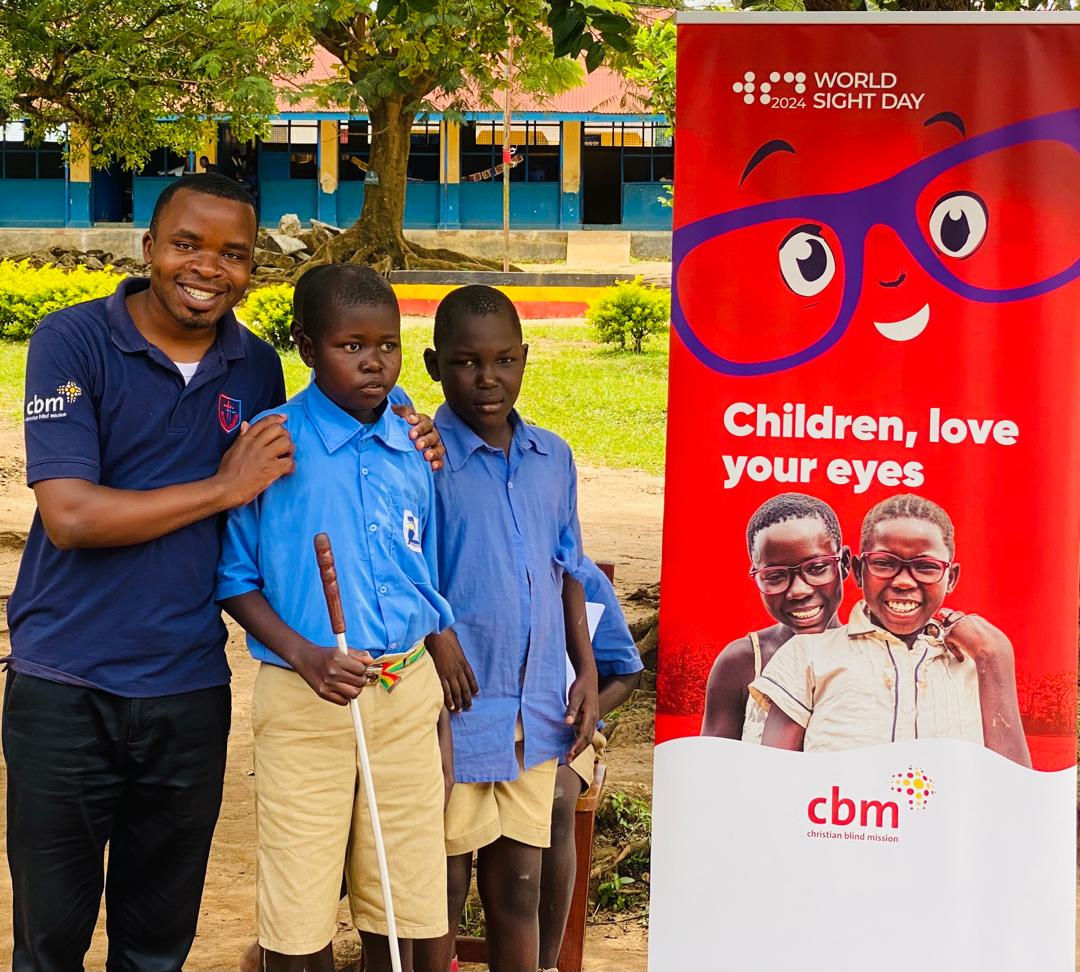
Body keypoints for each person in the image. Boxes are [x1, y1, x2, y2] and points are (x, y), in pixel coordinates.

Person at [1, 173, 443, 971]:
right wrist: (221, 487)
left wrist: (415, 426)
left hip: (187, 688)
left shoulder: (253, 369)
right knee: (50, 941)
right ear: (149, 249)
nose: (206, 267)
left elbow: (343, 403)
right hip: (66, 683)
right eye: (186, 244)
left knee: (157, 943)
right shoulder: (73, 341)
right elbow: (69, 518)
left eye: (232, 253)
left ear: (252, 269)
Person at [218, 265, 455, 972]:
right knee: (299, 903)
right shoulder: (273, 443)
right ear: (306, 347)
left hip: (405, 691)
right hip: (306, 697)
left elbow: (425, 562)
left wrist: (435, 659)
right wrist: (305, 654)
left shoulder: (412, 435)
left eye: (389, 344)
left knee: (405, 897)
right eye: (352, 346)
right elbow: (234, 580)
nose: (374, 361)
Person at [414, 285, 599, 972]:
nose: (487, 379)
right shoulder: (423, 461)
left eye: (503, 361)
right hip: (456, 711)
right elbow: (405, 568)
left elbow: (569, 567)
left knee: (518, 886)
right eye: (465, 362)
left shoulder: (555, 457)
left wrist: (584, 670)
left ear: (525, 360)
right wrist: (440, 636)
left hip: (536, 707)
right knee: (443, 884)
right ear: (434, 365)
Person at [752, 493, 1032, 767]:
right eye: (884, 563)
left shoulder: (975, 663)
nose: (904, 582)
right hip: (842, 813)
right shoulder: (807, 655)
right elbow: (773, 778)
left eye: (925, 566)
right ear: (860, 571)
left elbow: (1015, 790)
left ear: (951, 578)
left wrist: (994, 658)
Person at [538, 556, 642, 972]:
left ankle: (546, 961)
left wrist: (587, 720)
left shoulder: (584, 578)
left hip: (565, 730)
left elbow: (628, 674)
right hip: (489, 726)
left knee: (557, 796)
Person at [700, 492, 849, 742]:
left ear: (844, 564)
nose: (799, 590)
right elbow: (713, 766)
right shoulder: (741, 663)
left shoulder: (875, 656)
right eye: (775, 576)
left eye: (816, 568)